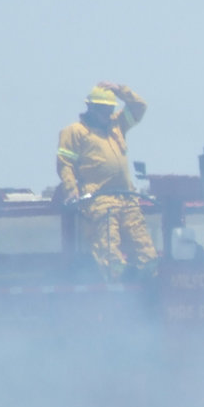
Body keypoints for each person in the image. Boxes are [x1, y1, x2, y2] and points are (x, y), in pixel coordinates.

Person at [57, 82, 158, 280]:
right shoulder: (75, 132)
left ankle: (149, 282)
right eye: (103, 109)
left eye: (110, 109)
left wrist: (120, 90)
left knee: (147, 252)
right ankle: (119, 284)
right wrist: (71, 189)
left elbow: (139, 107)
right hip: (100, 200)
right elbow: (65, 164)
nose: (108, 113)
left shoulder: (117, 125)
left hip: (128, 200)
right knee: (109, 250)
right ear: (91, 108)